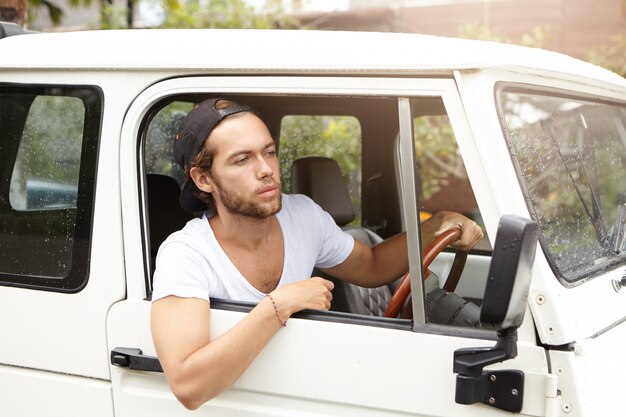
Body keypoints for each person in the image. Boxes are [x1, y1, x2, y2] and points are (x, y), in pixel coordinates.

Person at [150, 98, 483, 410]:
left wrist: (435, 226)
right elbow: (188, 386)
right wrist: (279, 305)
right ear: (204, 178)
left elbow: (372, 265)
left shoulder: (303, 215)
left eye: (269, 153)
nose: (266, 169)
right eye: (242, 159)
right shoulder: (186, 255)